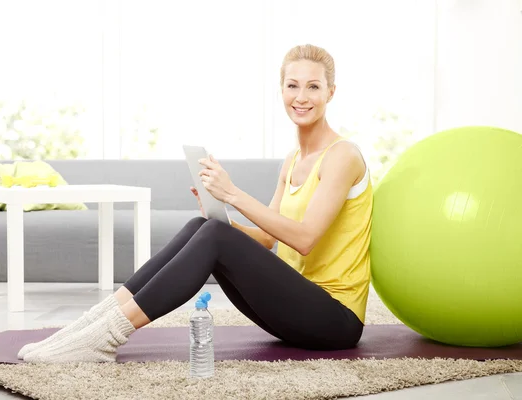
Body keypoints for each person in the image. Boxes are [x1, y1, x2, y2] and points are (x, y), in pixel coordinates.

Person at [18, 43, 373, 363]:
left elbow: (305, 239)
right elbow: (267, 240)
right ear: (281, 90)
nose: (302, 96)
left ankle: (104, 337)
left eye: (313, 86)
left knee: (215, 235)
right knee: (203, 227)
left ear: (331, 92)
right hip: (296, 309)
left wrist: (231, 195)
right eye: (292, 85)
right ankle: (91, 325)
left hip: (334, 319)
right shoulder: (293, 159)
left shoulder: (342, 156)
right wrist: (218, 216)